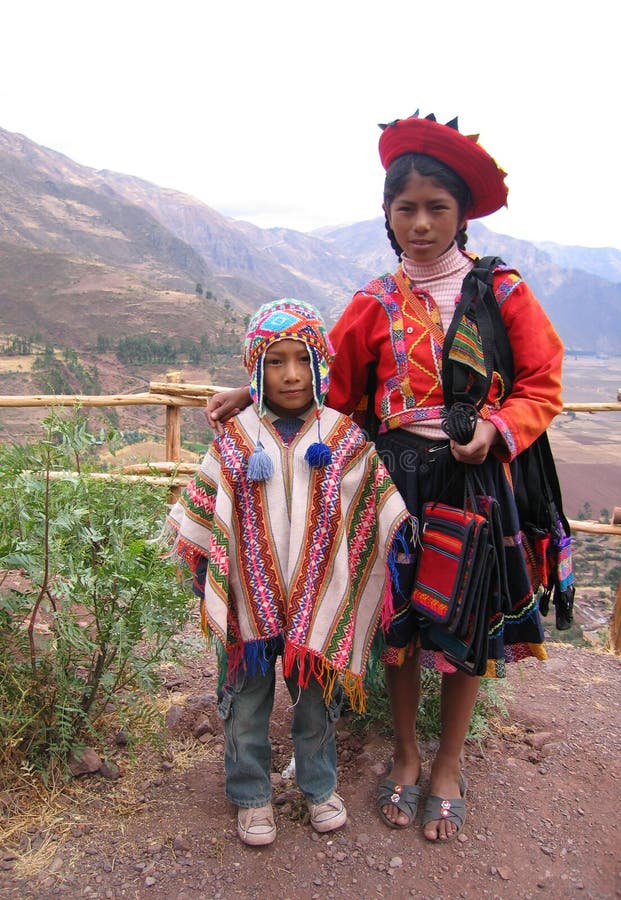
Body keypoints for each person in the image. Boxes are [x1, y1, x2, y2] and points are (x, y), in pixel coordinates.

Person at [207, 112, 564, 843]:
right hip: (395, 479)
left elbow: (541, 381)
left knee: (464, 627)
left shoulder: (502, 292)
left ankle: (447, 766)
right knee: (396, 621)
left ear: (462, 214)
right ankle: (404, 754)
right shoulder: (374, 302)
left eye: (437, 207)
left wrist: (495, 430)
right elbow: (326, 382)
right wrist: (254, 389)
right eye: (406, 209)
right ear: (387, 214)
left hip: (474, 480)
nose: (421, 223)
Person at [166, 298, 411, 847]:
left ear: (320, 363)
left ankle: (319, 786)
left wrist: (378, 556)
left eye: (303, 358)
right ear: (255, 367)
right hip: (247, 601)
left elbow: (374, 511)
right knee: (244, 699)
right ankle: (250, 794)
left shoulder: (343, 437)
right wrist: (211, 581)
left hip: (317, 601)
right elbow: (205, 516)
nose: (292, 374)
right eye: (275, 361)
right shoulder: (236, 436)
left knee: (317, 699)